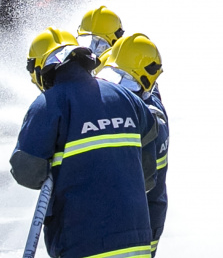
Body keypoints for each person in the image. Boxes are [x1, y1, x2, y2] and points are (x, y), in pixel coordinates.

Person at [10, 27, 158, 258]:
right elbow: (149, 171)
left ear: (40, 68)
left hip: (83, 243)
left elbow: (26, 171)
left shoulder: (49, 104)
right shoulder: (127, 98)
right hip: (137, 242)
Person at [97, 33, 171, 257]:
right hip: (140, 222)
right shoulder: (145, 103)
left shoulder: (150, 118)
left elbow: (148, 183)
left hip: (139, 223)